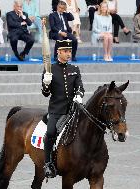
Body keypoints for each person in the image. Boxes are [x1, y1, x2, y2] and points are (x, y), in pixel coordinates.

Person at [42, 39, 84, 178]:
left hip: (73, 109)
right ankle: (47, 163)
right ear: (58, 52)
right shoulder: (50, 69)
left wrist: (79, 95)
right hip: (56, 109)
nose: (68, 54)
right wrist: (46, 83)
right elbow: (45, 93)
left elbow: (80, 86)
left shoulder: (74, 69)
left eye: (70, 51)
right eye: (65, 51)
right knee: (50, 132)